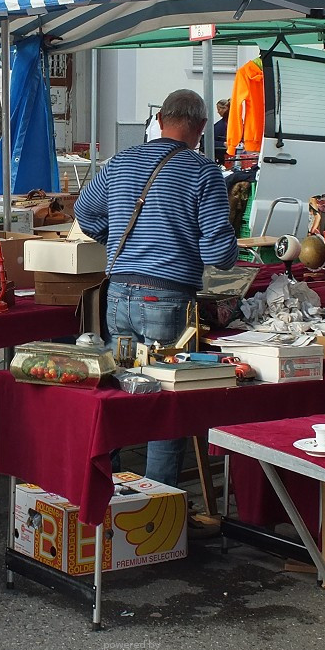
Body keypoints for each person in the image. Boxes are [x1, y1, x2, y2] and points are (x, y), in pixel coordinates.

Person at [73, 89, 238, 488]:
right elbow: (219, 252)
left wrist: (118, 242)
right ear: (200, 128)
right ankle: (155, 509)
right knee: (165, 402)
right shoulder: (203, 172)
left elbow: (84, 213)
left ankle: (105, 497)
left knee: (121, 391)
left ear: (160, 120)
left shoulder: (121, 161)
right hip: (166, 300)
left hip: (118, 295)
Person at [212, 98, 230, 163]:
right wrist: (223, 144)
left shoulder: (237, 123)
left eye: (219, 109)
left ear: (225, 108)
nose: (218, 111)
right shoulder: (218, 126)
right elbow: (208, 142)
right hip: (222, 157)